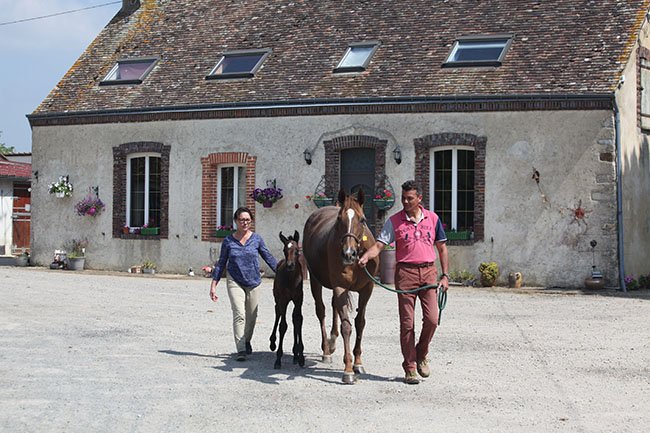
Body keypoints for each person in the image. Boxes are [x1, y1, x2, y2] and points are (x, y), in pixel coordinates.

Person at [359, 180, 449, 384]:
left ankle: (421, 354)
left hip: (428, 273)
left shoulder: (433, 219)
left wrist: (445, 276)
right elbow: (379, 245)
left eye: (410, 198)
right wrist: (366, 256)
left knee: (432, 319)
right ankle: (410, 367)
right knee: (407, 323)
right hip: (405, 274)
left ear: (419, 198)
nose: (406, 202)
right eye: (403, 198)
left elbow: (442, 248)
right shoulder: (394, 221)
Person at [209, 207, 278, 361]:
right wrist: (214, 285)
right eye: (241, 220)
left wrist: (282, 273)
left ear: (251, 221)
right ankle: (241, 349)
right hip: (235, 280)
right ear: (236, 221)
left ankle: (246, 341)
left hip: (254, 281)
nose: (245, 222)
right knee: (239, 314)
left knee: (252, 316)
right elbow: (221, 263)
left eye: (247, 220)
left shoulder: (257, 239)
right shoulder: (228, 241)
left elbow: (268, 257)